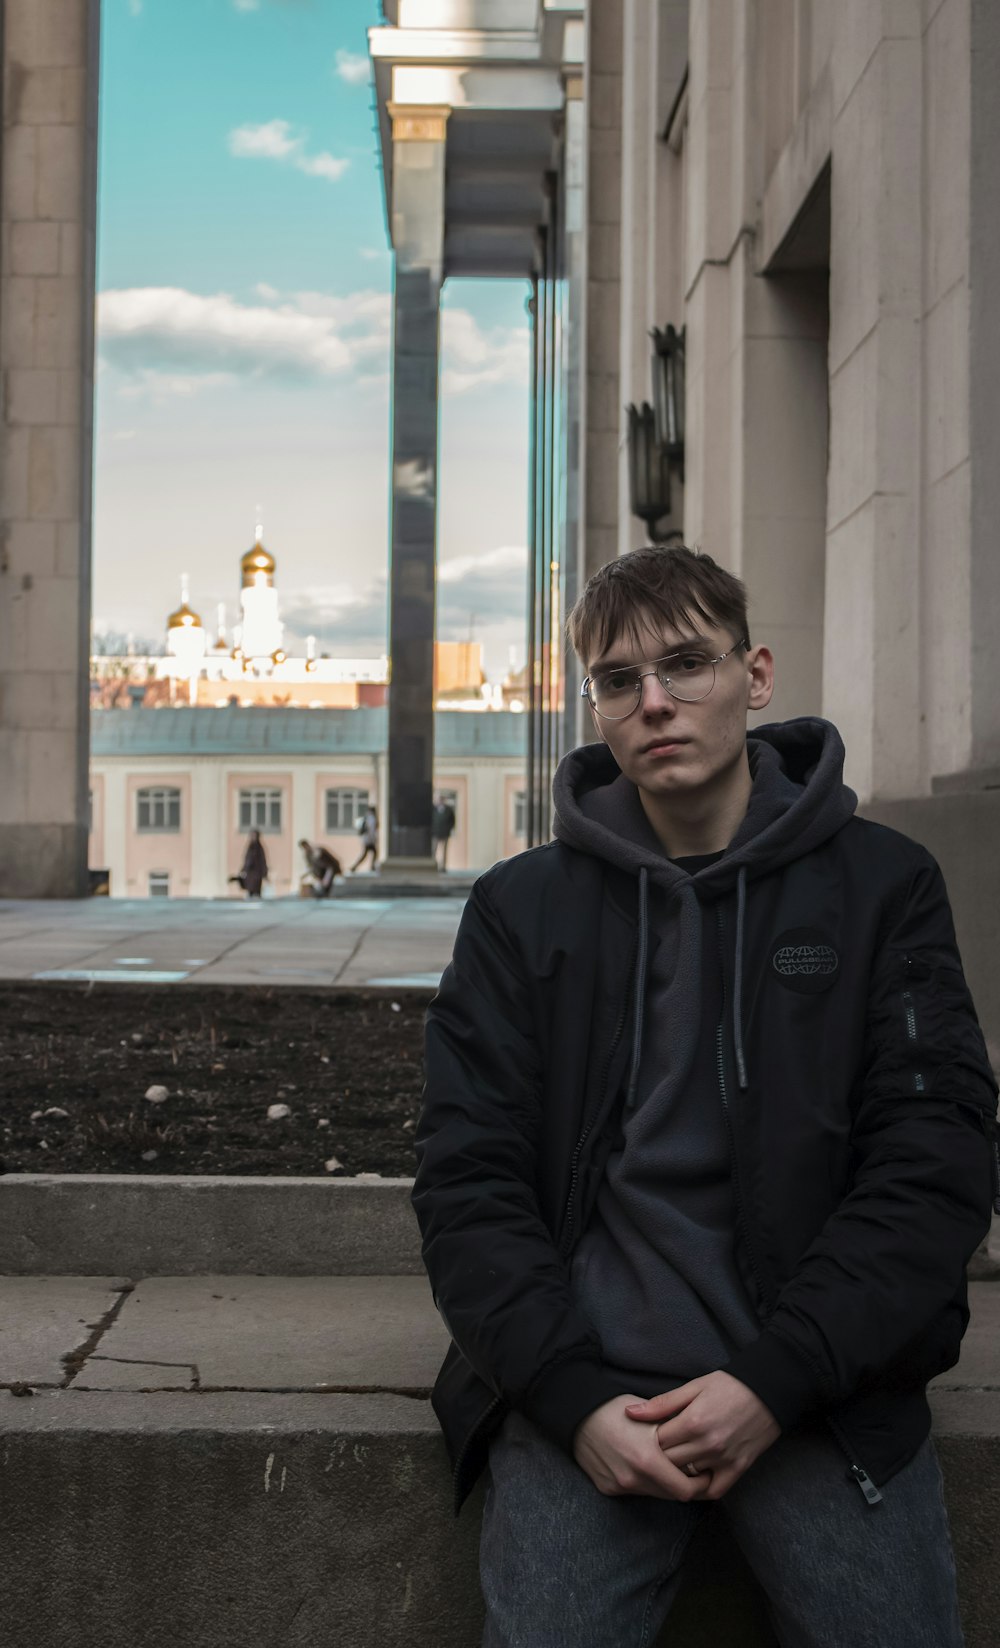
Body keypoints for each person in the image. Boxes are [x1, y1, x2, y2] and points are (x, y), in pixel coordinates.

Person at [414, 545, 999, 1648]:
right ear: (595, 706)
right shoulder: (520, 909)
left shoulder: (882, 888)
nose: (655, 702)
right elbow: (467, 1176)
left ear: (757, 675)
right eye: (618, 679)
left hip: (814, 1383)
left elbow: (936, 1162)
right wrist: (570, 1396)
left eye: (686, 664)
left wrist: (776, 1379)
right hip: (593, 1383)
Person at [228, 828, 268, 898]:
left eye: (253, 835)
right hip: (250, 874)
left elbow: (262, 861)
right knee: (251, 891)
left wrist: (264, 872)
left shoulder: (258, 848)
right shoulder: (250, 847)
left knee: (256, 891)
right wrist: (244, 869)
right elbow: (247, 860)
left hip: (256, 874)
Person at [350, 804, 379, 873]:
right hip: (369, 840)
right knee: (372, 853)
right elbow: (371, 830)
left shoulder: (367, 817)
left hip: (366, 839)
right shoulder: (372, 818)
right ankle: (371, 866)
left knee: (369, 854)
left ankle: (355, 867)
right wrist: (373, 839)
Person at [431, 793, 456, 870]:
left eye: (441, 799)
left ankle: (443, 867)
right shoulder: (433, 809)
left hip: (445, 833)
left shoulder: (448, 810)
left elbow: (452, 821)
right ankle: (433, 865)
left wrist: (449, 828)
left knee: (444, 851)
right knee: (434, 850)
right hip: (435, 833)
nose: (440, 801)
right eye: (439, 799)